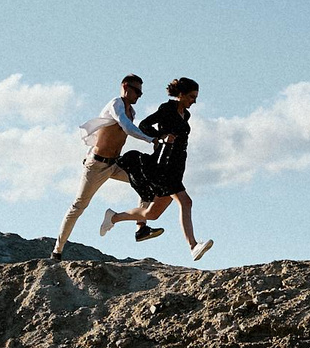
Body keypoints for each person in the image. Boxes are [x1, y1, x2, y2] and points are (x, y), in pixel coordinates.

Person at [100, 77, 215, 261]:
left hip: (177, 165)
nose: (194, 100)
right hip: (164, 165)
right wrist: (160, 137)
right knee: (186, 202)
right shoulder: (167, 109)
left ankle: (113, 217)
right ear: (182, 94)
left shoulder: (186, 114)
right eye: (192, 96)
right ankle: (193, 246)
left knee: (152, 214)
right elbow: (145, 125)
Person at [51, 74, 157, 261]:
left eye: (141, 92)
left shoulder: (132, 111)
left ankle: (141, 228)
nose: (139, 96)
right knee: (78, 206)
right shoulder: (116, 105)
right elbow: (126, 127)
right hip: (96, 164)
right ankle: (57, 250)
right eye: (137, 91)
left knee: (149, 182)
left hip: (115, 164)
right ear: (125, 87)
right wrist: (150, 140)